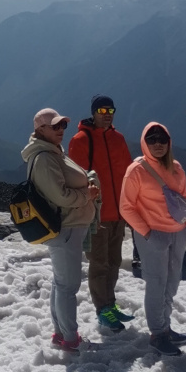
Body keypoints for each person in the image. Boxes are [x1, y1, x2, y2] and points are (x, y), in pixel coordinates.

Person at [21, 107, 101, 353]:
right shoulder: (45, 158)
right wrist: (86, 194)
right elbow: (61, 196)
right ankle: (70, 338)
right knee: (68, 286)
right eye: (54, 126)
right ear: (39, 129)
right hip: (66, 226)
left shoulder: (53, 153)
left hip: (68, 226)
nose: (60, 130)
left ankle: (61, 333)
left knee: (61, 283)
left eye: (62, 125)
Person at [119, 123, 186, 355]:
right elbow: (126, 207)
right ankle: (157, 334)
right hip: (152, 234)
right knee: (156, 283)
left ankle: (165, 327)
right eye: (152, 139)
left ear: (169, 141)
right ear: (145, 143)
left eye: (162, 139)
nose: (158, 143)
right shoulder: (136, 170)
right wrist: (148, 234)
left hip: (177, 232)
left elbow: (183, 196)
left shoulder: (176, 167)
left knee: (172, 281)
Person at [68, 95, 135, 334]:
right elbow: (75, 178)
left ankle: (110, 304)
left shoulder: (118, 139)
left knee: (114, 262)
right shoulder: (81, 140)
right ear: (94, 112)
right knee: (99, 263)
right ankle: (102, 310)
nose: (106, 114)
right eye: (102, 110)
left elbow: (129, 173)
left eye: (110, 110)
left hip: (118, 213)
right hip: (95, 214)